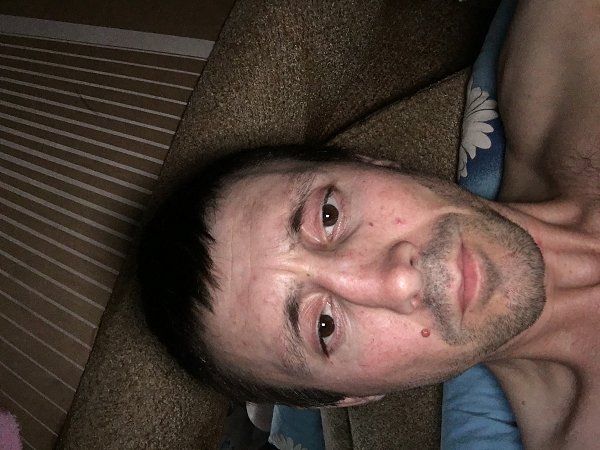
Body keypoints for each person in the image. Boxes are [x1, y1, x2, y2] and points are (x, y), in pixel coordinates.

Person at [138, 0, 600, 448]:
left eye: (328, 215)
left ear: (371, 162)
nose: (398, 280)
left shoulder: (565, 47)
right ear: (352, 396)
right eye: (324, 327)